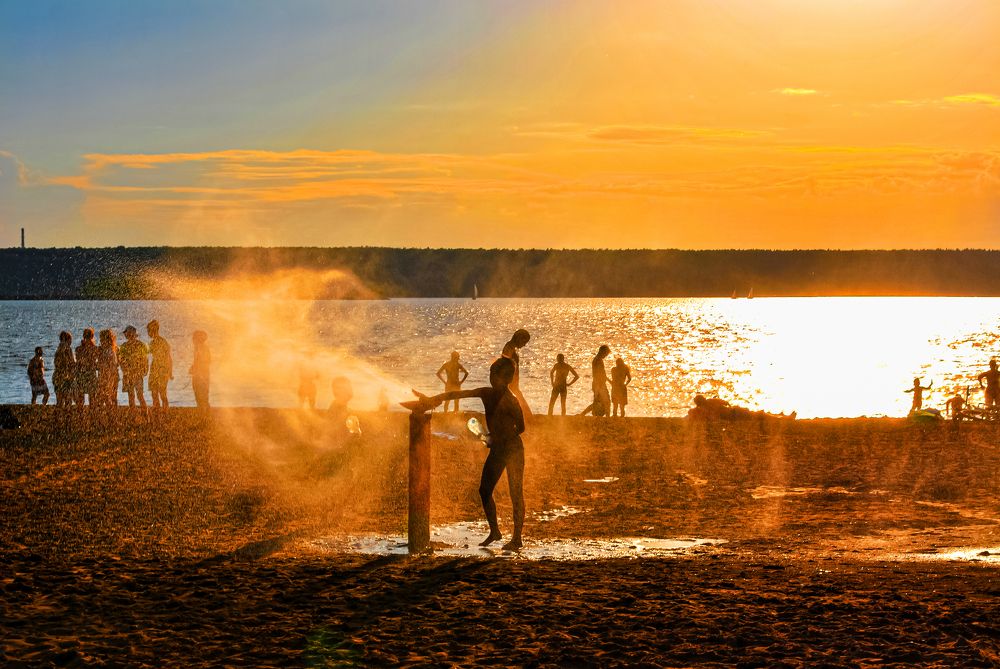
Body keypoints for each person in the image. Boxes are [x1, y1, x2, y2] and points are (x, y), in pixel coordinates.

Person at [410, 357, 526, 551]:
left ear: (505, 377)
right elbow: (457, 394)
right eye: (490, 373)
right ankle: (495, 531)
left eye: (493, 374)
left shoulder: (511, 400)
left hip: (513, 449)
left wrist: (498, 438)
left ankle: (517, 538)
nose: (490, 377)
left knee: (516, 493)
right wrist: (433, 399)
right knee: (484, 490)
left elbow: (521, 428)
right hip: (498, 449)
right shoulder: (486, 393)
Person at [687, 394, 795, 422]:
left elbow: (691, 413)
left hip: (734, 414)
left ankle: (782, 417)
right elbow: (726, 403)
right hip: (735, 413)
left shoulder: (704, 409)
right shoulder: (710, 403)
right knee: (760, 415)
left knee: (759, 415)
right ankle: (784, 418)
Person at [501, 329, 531, 416]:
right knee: (518, 401)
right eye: (524, 342)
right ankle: (528, 417)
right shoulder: (509, 348)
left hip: (513, 382)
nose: (524, 344)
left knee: (518, 400)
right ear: (518, 338)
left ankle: (528, 417)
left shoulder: (512, 348)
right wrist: (508, 381)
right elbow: (505, 364)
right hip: (510, 382)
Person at [119, 325, 149, 409]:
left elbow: (121, 361)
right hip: (137, 373)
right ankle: (145, 414)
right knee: (139, 396)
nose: (126, 335)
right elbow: (145, 359)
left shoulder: (124, 346)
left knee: (132, 396)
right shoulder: (141, 345)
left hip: (129, 374)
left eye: (126, 334)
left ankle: (135, 413)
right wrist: (145, 370)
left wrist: (124, 370)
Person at [146, 320, 173, 409]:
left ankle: (164, 409)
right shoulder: (153, 342)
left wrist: (170, 372)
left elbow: (168, 357)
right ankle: (157, 408)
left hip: (162, 369)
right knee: (155, 391)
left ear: (153, 330)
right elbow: (146, 352)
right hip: (155, 368)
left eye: (148, 331)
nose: (148, 333)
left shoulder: (162, 342)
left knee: (161, 392)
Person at [580, 345, 611, 417]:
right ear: (602, 351)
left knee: (598, 402)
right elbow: (597, 374)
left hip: (599, 384)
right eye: (606, 354)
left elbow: (602, 373)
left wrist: (609, 381)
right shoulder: (598, 360)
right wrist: (599, 386)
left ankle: (583, 414)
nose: (606, 356)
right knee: (606, 402)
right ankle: (608, 418)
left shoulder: (598, 359)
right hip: (599, 384)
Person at [74, 329, 99, 406]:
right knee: (92, 398)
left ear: (83, 336)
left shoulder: (78, 349)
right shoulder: (95, 349)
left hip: (81, 374)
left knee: (80, 399)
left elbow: (78, 362)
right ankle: (92, 412)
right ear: (92, 336)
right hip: (91, 374)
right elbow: (96, 363)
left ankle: (80, 412)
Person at [53, 331, 76, 407]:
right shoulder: (68, 348)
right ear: (68, 339)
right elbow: (72, 363)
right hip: (66, 377)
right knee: (68, 401)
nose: (71, 342)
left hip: (57, 376)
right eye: (70, 340)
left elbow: (56, 363)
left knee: (59, 402)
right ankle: (67, 414)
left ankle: (58, 414)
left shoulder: (58, 349)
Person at [97, 330, 119, 407]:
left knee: (108, 396)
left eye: (102, 339)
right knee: (109, 396)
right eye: (100, 339)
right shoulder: (112, 348)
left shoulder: (109, 350)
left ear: (107, 339)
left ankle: (111, 412)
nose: (101, 341)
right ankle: (112, 412)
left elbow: (112, 365)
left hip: (109, 375)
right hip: (107, 375)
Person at [190, 330, 211, 411]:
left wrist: (199, 371)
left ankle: (204, 412)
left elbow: (206, 361)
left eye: (194, 338)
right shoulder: (198, 348)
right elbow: (197, 361)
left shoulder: (202, 348)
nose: (192, 340)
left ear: (198, 339)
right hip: (200, 374)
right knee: (200, 394)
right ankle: (203, 411)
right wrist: (193, 367)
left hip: (202, 375)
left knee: (202, 394)